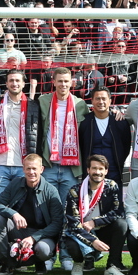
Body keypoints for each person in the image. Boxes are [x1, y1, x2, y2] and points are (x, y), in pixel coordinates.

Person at [0, 154, 65, 275]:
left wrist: (33, 238)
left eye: (34, 168)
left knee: (43, 250)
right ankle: (6, 263)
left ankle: (39, 262)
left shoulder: (51, 191)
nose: (31, 172)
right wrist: (13, 214)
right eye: (28, 168)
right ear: (23, 169)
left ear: (41, 169)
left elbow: (57, 223)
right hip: (19, 230)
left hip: (42, 235)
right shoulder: (15, 184)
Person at [62, 154, 129, 275]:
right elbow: (73, 223)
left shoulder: (111, 186)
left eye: (101, 169)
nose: (97, 172)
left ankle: (112, 266)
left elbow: (118, 212)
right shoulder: (75, 191)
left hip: (103, 230)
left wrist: (95, 223)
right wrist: (93, 240)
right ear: (88, 170)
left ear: (106, 171)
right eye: (94, 168)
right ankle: (78, 262)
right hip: (82, 231)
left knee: (122, 224)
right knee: (71, 242)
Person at [0, 70, 41, 202]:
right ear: (6, 83)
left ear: (23, 84)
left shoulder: (33, 105)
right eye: (11, 80)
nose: (14, 83)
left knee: (22, 208)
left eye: (17, 80)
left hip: (23, 165)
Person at [36, 67, 88, 200]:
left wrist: (114, 112)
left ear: (71, 82)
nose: (63, 84)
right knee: (46, 205)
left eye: (66, 81)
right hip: (48, 165)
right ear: (54, 82)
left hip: (71, 168)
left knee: (69, 206)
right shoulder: (43, 101)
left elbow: (90, 125)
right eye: (60, 81)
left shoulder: (80, 104)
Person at [78, 87, 131, 184]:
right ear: (92, 101)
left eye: (104, 99)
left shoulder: (120, 122)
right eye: (97, 99)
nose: (101, 102)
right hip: (91, 173)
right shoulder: (84, 122)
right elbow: (81, 145)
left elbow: (126, 146)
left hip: (114, 172)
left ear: (110, 101)